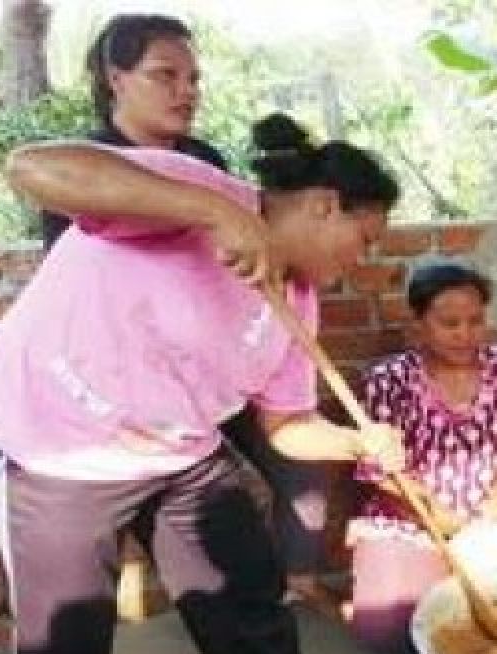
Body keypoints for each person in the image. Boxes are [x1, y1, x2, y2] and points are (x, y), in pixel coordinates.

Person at [0, 113, 405, 654]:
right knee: (66, 649)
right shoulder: (196, 185)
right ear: (325, 205)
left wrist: (360, 441)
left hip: (178, 450)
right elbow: (31, 167)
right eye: (364, 237)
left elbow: (287, 424)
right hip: (55, 445)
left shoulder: (297, 299)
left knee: (244, 580)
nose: (363, 258)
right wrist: (210, 212)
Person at [41, 13, 336, 613]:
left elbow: (233, 264)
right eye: (165, 75)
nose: (186, 91)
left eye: (194, 79)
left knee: (299, 462)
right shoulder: (84, 165)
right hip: (126, 390)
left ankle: (297, 594)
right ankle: (135, 609)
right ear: (115, 77)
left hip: (212, 371)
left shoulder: (204, 156)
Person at [346, 261, 497, 649]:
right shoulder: (389, 380)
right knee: (387, 630)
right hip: (414, 519)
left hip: (494, 512)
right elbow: (384, 473)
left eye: (475, 321)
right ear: (419, 324)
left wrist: (496, 504)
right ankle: (427, 574)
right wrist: (438, 520)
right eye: (449, 323)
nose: (465, 334)